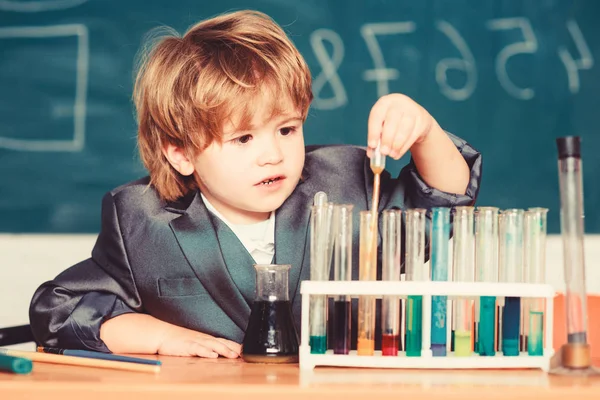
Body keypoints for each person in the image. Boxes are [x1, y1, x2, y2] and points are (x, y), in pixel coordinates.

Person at [29, 10, 481, 359]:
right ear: (180, 153)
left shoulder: (347, 180)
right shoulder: (139, 218)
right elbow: (57, 310)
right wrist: (160, 336)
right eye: (243, 138)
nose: (272, 154)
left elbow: (444, 205)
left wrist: (424, 129)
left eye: (287, 129)